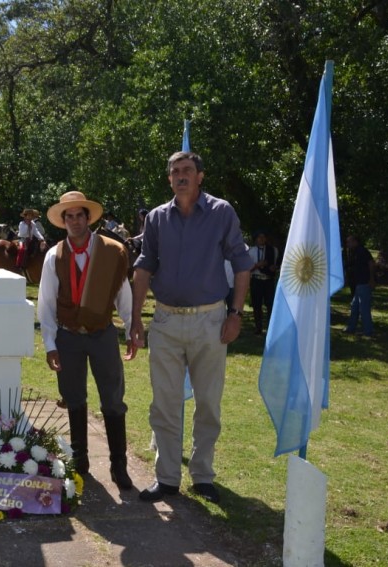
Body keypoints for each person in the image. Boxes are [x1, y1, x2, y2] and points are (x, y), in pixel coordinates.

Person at [130, 151, 252, 504]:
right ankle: (166, 478)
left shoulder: (221, 212)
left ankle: (202, 475)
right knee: (164, 404)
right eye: (174, 172)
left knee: (208, 403)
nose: (180, 176)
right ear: (169, 179)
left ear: (200, 176)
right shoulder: (156, 219)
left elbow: (242, 264)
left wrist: (236, 314)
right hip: (165, 321)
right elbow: (143, 268)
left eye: (187, 170)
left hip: (210, 320)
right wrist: (136, 318)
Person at [37, 191, 137, 496]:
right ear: (63, 221)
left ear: (88, 218)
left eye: (80, 215)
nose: (75, 221)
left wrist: (132, 329)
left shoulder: (112, 250)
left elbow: (124, 295)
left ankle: (118, 466)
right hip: (68, 337)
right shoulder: (54, 255)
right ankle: (80, 463)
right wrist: (50, 344)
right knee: (74, 397)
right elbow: (46, 303)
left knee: (113, 399)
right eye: (69, 216)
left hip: (103, 334)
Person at [344, 234, 375, 337]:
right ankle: (351, 328)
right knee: (354, 306)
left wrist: (371, 279)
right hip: (358, 283)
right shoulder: (354, 253)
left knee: (364, 307)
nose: (347, 244)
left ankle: (368, 331)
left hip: (364, 282)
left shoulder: (362, 251)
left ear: (355, 242)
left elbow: (371, 263)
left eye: (349, 242)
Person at [249, 230, 278, 335]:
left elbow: (277, 263)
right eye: (259, 237)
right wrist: (257, 265)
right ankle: (258, 327)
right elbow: (247, 268)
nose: (261, 239)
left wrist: (274, 268)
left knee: (270, 304)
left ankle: (271, 327)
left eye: (263, 237)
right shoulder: (251, 251)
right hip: (256, 279)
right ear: (255, 239)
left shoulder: (273, 250)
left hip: (269, 280)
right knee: (257, 305)